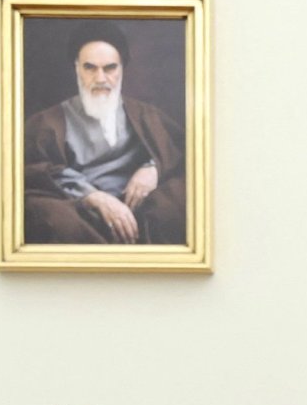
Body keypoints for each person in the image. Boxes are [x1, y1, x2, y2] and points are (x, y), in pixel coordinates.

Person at [24, 22, 187, 245]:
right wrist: (93, 197)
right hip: (79, 209)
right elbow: (35, 171)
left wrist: (152, 168)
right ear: (76, 68)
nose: (100, 78)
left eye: (110, 68)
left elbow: (181, 151)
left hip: (139, 209)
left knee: (176, 203)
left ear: (122, 69)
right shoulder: (47, 122)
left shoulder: (146, 115)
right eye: (90, 67)